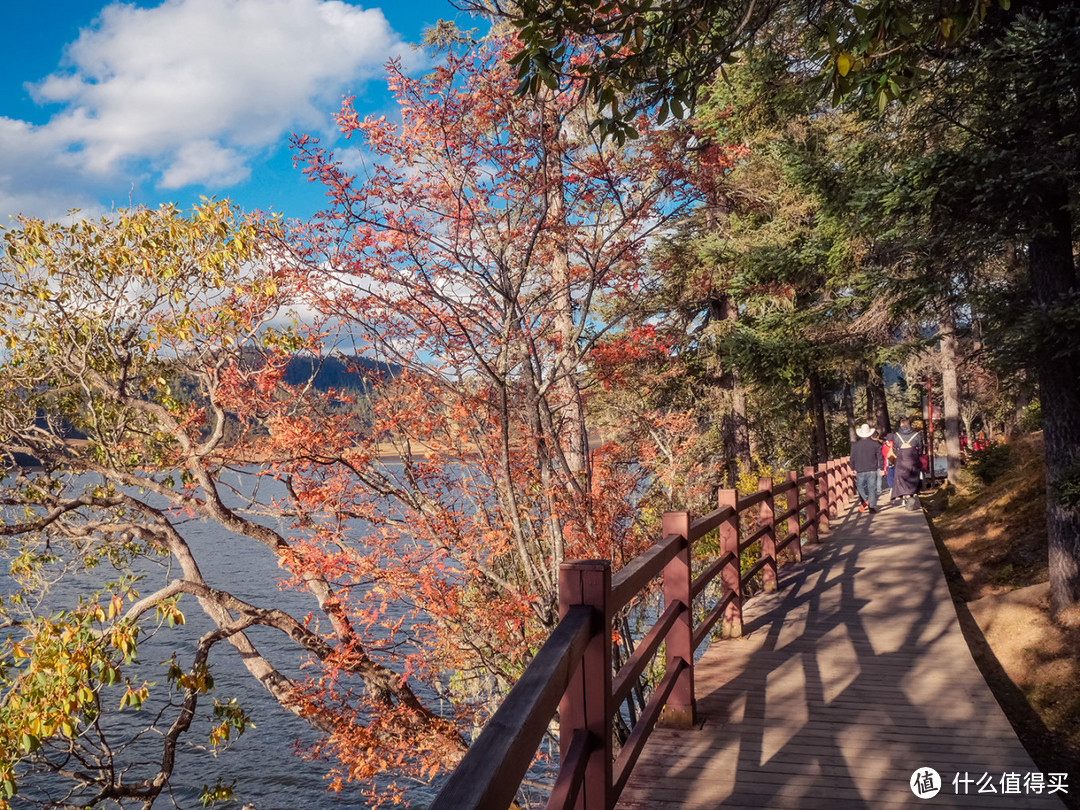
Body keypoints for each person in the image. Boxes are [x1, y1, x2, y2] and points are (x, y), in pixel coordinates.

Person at [890, 416, 923, 508]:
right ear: (909, 424)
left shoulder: (896, 435)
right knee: (913, 477)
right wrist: (917, 455)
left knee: (900, 479)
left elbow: (895, 449)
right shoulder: (917, 435)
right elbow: (921, 448)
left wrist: (899, 454)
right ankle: (911, 495)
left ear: (901, 424)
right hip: (913, 459)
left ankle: (905, 497)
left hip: (901, 460)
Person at [851, 423, 882, 513]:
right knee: (872, 488)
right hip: (872, 468)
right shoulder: (875, 444)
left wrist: (852, 468)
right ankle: (871, 507)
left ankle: (866, 500)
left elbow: (852, 457)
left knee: (860, 487)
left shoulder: (855, 445)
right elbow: (880, 457)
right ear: (870, 433)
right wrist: (882, 468)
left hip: (860, 469)